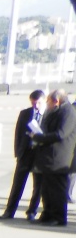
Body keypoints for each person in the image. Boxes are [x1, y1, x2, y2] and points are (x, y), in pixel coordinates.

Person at [31, 89, 76, 226]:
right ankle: (47, 213)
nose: (47, 103)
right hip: (49, 156)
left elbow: (61, 133)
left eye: (48, 101)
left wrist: (40, 137)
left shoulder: (68, 111)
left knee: (57, 189)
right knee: (46, 188)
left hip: (59, 157)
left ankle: (59, 217)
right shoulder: (56, 110)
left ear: (56, 101)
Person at [0, 90, 46, 220]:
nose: (36, 106)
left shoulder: (48, 115)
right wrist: (18, 152)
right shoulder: (25, 113)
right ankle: (9, 211)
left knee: (38, 186)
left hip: (40, 154)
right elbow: (18, 133)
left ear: (44, 101)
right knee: (17, 184)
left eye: (38, 103)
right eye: (33, 103)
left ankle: (32, 211)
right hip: (26, 153)